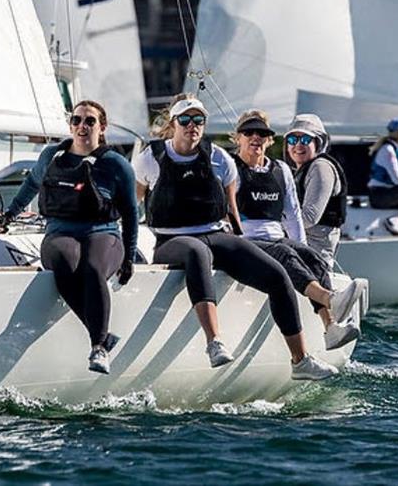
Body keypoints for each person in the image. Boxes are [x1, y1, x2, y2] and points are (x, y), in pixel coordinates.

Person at [134, 93, 337, 380]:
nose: (192, 125)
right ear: (174, 123)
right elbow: (131, 207)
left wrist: (243, 248)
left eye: (199, 120)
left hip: (215, 234)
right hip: (171, 241)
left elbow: (232, 213)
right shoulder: (150, 159)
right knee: (196, 252)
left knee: (278, 276)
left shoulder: (218, 158)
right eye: (186, 119)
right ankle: (214, 342)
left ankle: (300, 360)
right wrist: (126, 249)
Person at [0, 100, 137, 375]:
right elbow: (31, 184)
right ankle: (103, 336)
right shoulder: (52, 156)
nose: (82, 126)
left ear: (102, 127)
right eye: (76, 120)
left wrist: (129, 257)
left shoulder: (116, 164)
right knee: (64, 263)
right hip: (60, 232)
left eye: (89, 121)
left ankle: (98, 346)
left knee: (93, 268)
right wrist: (10, 214)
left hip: (103, 233)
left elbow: (131, 213)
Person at [232, 110, 363, 351]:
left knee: (308, 256)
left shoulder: (287, 169)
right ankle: (330, 300)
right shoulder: (230, 167)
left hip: (288, 243)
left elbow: (296, 219)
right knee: (287, 255)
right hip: (247, 242)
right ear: (237, 137)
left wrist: (301, 248)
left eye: (262, 133)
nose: (255, 138)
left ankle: (331, 326)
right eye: (293, 140)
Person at [283, 114, 347, 267]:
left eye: (305, 140)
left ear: (318, 143)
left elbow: (309, 217)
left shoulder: (321, 167)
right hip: (295, 247)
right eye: (292, 140)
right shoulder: (296, 171)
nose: (298, 145)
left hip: (313, 254)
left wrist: (269, 225)